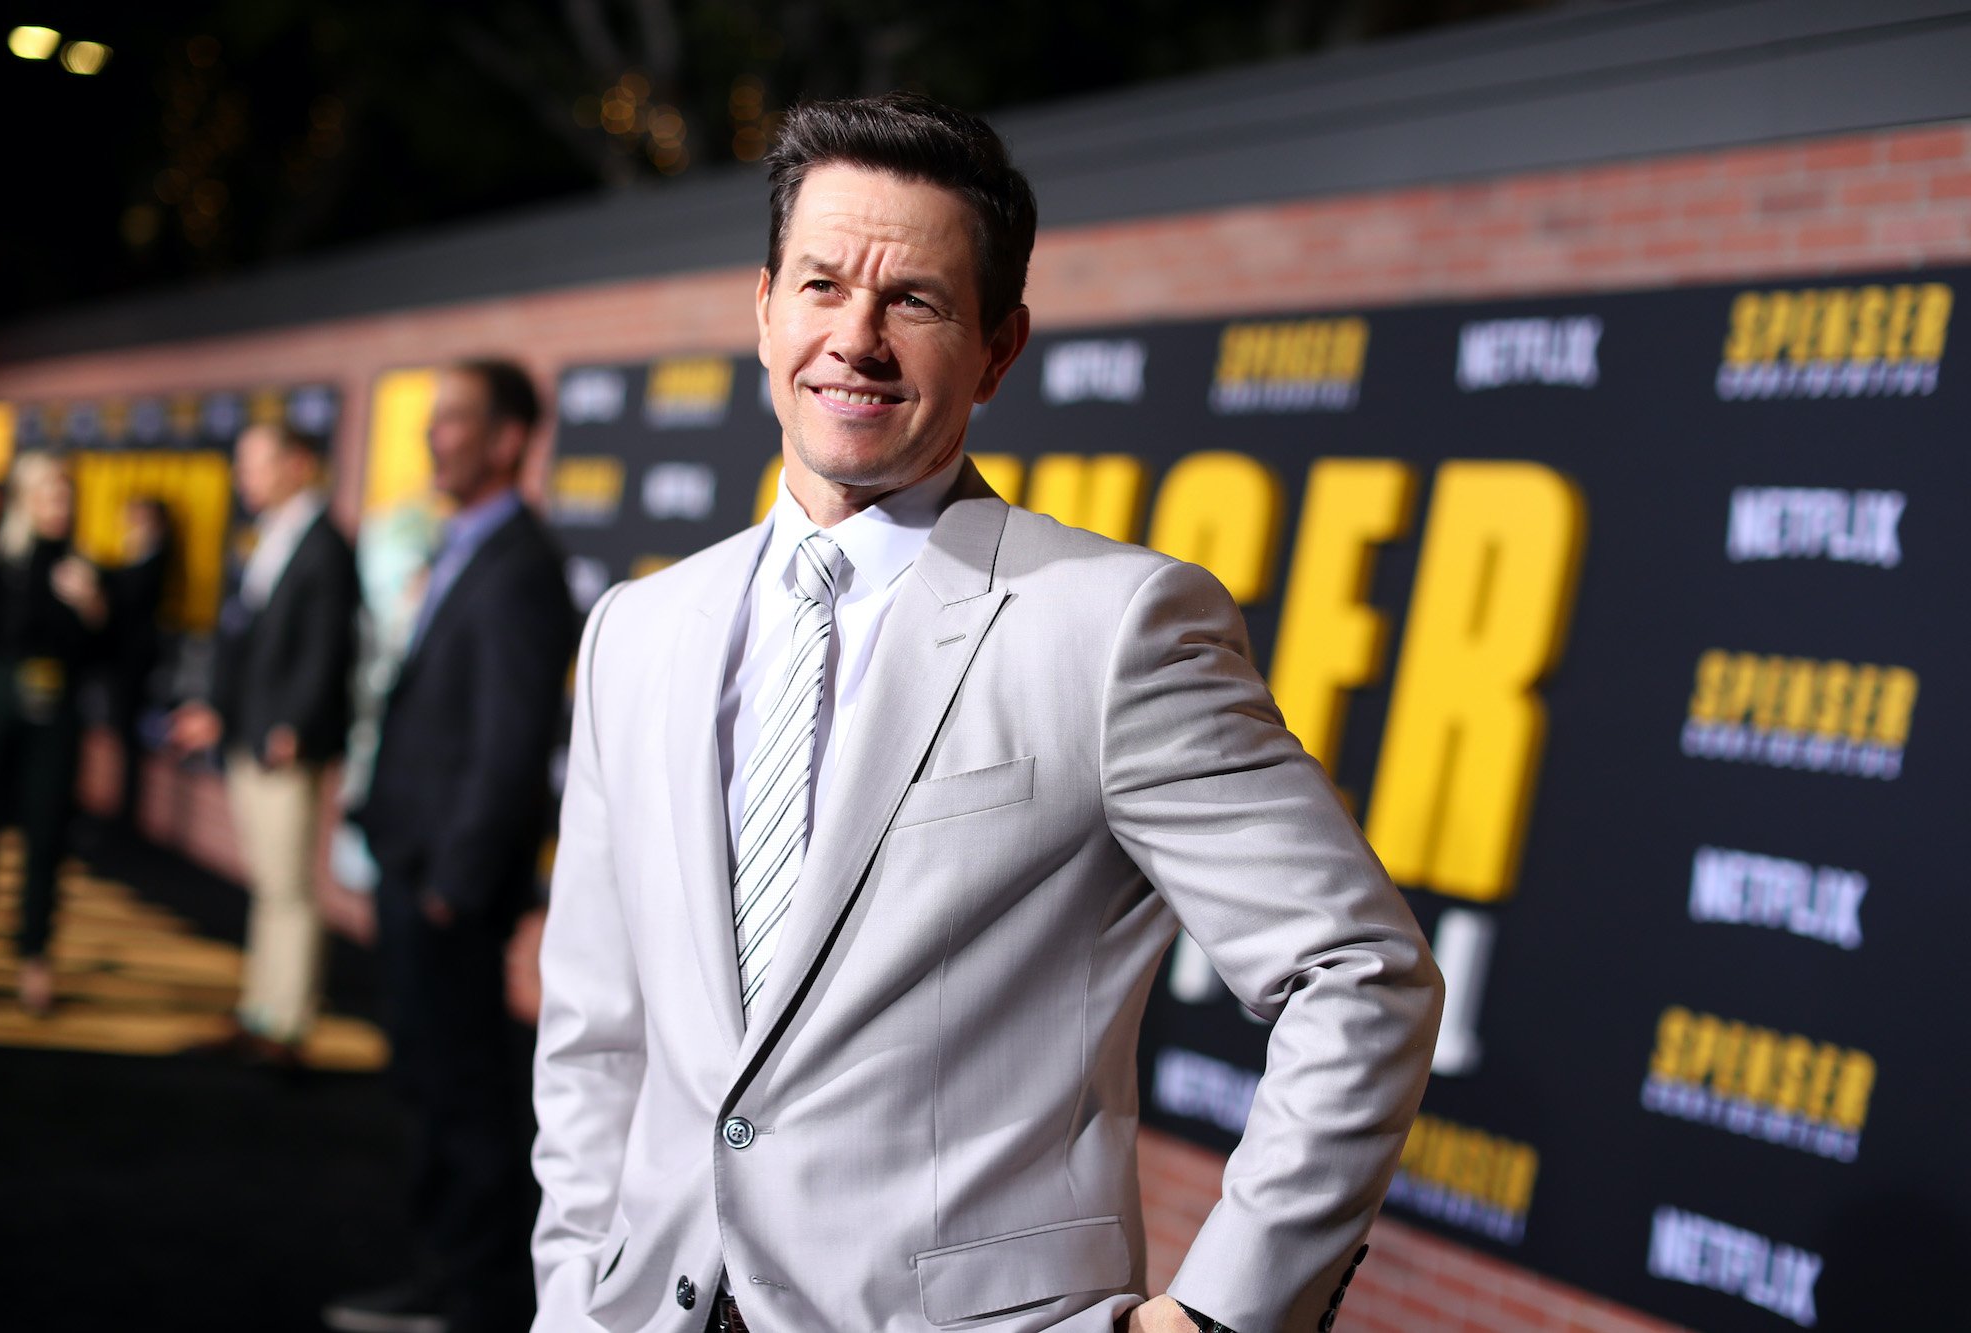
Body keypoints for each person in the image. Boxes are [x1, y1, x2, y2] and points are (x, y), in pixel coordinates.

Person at [530, 93, 1444, 1333]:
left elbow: (1358, 973)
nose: (854, 338)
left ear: (998, 347)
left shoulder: (1113, 625)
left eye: (913, 300)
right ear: (762, 310)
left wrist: (1222, 1313)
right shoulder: (637, 633)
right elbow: (596, 1031)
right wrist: (573, 1287)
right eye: (818, 286)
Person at [329, 360, 576, 1333]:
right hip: (417, 865)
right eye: (433, 421)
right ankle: (440, 1281)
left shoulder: (518, 562)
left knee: (465, 1099)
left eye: (457, 420)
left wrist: (453, 883)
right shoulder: (467, 546)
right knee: (433, 1089)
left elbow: (509, 745)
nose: (436, 437)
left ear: (509, 438)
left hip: (450, 885)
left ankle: (469, 1298)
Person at [169, 425, 358, 1065]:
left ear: (298, 465)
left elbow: (325, 649)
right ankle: (261, 1010)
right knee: (268, 885)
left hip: (284, 745)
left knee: (288, 890)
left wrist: (293, 726)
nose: (243, 479)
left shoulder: (325, 543)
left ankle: (287, 1024)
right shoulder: (269, 535)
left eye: (256, 465)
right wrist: (219, 711)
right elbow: (249, 642)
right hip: (251, 735)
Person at [0, 454, 109, 1015]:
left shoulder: (80, 569)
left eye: (66, 498)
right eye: (50, 496)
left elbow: (106, 658)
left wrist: (91, 606)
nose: (61, 508)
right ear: (28, 502)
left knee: (47, 837)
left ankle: (35, 957)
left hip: (56, 717)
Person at [106, 496, 175, 828]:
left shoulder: (156, 558)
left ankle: (127, 817)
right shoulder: (137, 556)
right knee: (121, 736)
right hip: (121, 660)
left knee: (130, 741)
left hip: (137, 662)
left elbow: (128, 595)